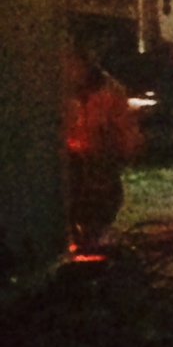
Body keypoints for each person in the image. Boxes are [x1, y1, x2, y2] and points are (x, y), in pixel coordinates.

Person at [65, 41, 142, 250]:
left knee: (98, 199)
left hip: (100, 166)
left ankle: (93, 238)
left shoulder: (110, 93)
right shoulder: (59, 93)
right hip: (70, 169)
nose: (70, 70)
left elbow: (127, 136)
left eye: (74, 63)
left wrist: (114, 156)